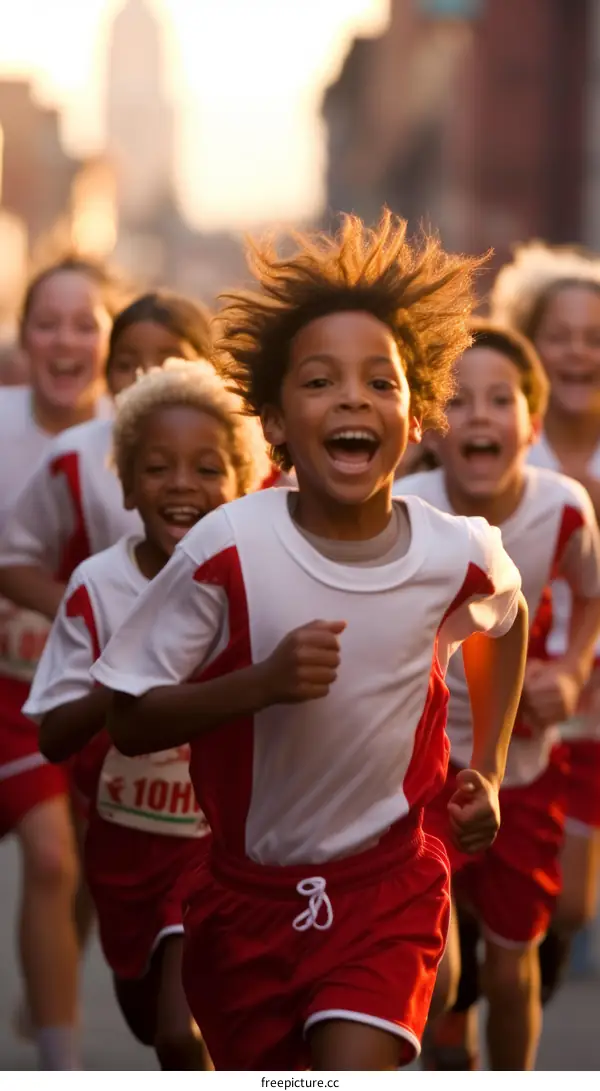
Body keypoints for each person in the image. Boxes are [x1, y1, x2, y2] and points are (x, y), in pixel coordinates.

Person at [91, 212, 527, 1072]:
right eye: (321, 382)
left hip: (387, 886)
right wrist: (257, 685)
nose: (354, 399)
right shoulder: (227, 549)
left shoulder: (459, 552)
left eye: (381, 382)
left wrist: (492, 767)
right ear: (278, 424)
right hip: (245, 899)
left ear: (417, 413)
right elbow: (129, 716)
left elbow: (503, 624)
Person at [23, 359, 269, 1069]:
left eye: (208, 467)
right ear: (127, 485)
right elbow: (52, 735)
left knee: (178, 1030)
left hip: (218, 849)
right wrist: (123, 675)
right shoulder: (97, 585)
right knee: (146, 1019)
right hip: (123, 852)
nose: (184, 485)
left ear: (243, 481)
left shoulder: (251, 574)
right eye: (158, 468)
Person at [398, 321, 600, 1070]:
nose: (479, 414)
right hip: (419, 772)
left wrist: (574, 667)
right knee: (436, 976)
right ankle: (449, 1030)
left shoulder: (566, 507)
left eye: (500, 399)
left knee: (516, 976)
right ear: (430, 427)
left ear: (532, 424)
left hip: (523, 767)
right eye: (460, 399)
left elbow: (590, 595)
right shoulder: (403, 504)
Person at [0, 254, 123, 1069]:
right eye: (48, 322)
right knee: (50, 854)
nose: (66, 339)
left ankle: (51, 1000)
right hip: (9, 690)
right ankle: (61, 1063)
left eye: (86, 322)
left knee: (79, 864)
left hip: (94, 691)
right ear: (22, 336)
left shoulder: (136, 431)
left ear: (110, 338)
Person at [491, 243, 600, 998]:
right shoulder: (499, 438)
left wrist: (577, 666)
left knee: (571, 904)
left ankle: (534, 960)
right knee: (496, 878)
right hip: (511, 703)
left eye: (594, 337)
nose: (576, 351)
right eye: (558, 334)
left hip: (587, 700)